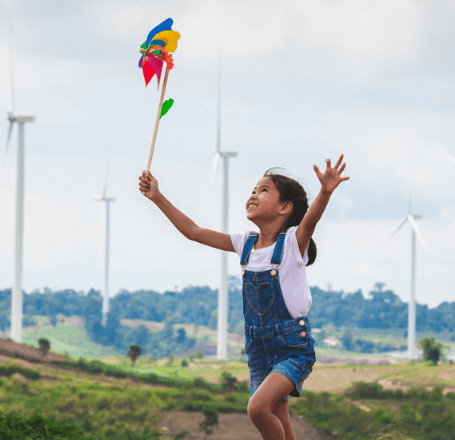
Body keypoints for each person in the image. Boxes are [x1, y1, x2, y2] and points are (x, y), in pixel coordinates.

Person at [138, 155, 349, 440]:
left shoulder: (292, 244)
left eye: (263, 191)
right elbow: (193, 232)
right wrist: (157, 197)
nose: (253, 195)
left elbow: (310, 219)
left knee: (257, 409)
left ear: (285, 207)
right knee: (277, 414)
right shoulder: (244, 243)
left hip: (291, 346)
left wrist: (325, 191)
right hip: (258, 348)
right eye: (253, 190)